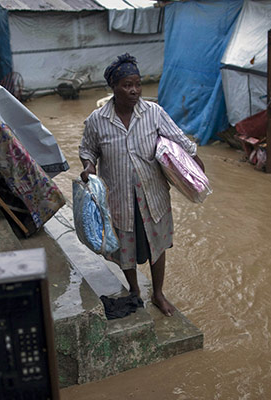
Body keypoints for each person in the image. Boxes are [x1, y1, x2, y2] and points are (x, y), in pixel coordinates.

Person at [79, 53, 203, 317]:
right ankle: (134, 289)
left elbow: (178, 138)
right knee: (125, 246)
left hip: (152, 194)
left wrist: (195, 160)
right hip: (118, 196)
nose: (134, 90)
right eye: (127, 85)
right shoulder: (97, 120)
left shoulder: (154, 112)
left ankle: (158, 293)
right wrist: (88, 166)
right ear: (113, 87)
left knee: (158, 245)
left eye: (137, 84)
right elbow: (87, 150)